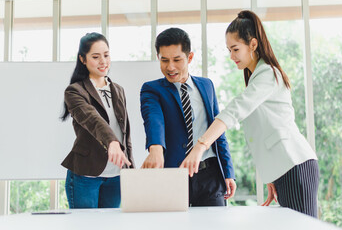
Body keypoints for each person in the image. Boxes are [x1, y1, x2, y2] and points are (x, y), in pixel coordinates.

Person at [180, 10, 319, 217]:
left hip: (295, 166)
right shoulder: (257, 77)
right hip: (284, 170)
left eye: (235, 49)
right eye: (229, 50)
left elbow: (235, 110)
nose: (231, 56)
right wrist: (272, 175)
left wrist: (200, 146)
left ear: (253, 44)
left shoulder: (268, 73)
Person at [140, 28, 236, 206]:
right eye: (164, 60)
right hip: (173, 175)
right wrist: (156, 148)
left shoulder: (207, 86)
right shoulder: (152, 89)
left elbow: (218, 131)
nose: (170, 67)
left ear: (189, 57)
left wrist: (228, 172)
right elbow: (153, 119)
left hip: (210, 174)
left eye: (177, 60)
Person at [60, 32, 135, 209]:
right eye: (95, 56)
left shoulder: (118, 89)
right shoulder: (75, 91)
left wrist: (130, 168)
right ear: (83, 59)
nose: (103, 61)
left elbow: (125, 131)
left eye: (106, 55)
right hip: (85, 175)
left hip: (116, 175)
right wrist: (112, 142)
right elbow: (92, 119)